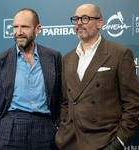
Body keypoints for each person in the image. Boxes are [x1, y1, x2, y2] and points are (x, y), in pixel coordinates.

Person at [55, 3, 139, 150]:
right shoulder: (67, 58)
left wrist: (119, 141)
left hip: (104, 141)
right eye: (76, 19)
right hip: (69, 142)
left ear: (100, 22)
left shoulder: (120, 53)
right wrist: (63, 129)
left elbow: (132, 103)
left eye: (85, 18)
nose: (79, 23)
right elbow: (65, 101)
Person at [0, 8, 62, 150]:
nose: (18, 32)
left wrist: (58, 128)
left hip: (45, 130)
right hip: (9, 129)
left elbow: (62, 97)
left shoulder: (54, 57)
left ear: (37, 29)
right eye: (15, 27)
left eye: (24, 27)